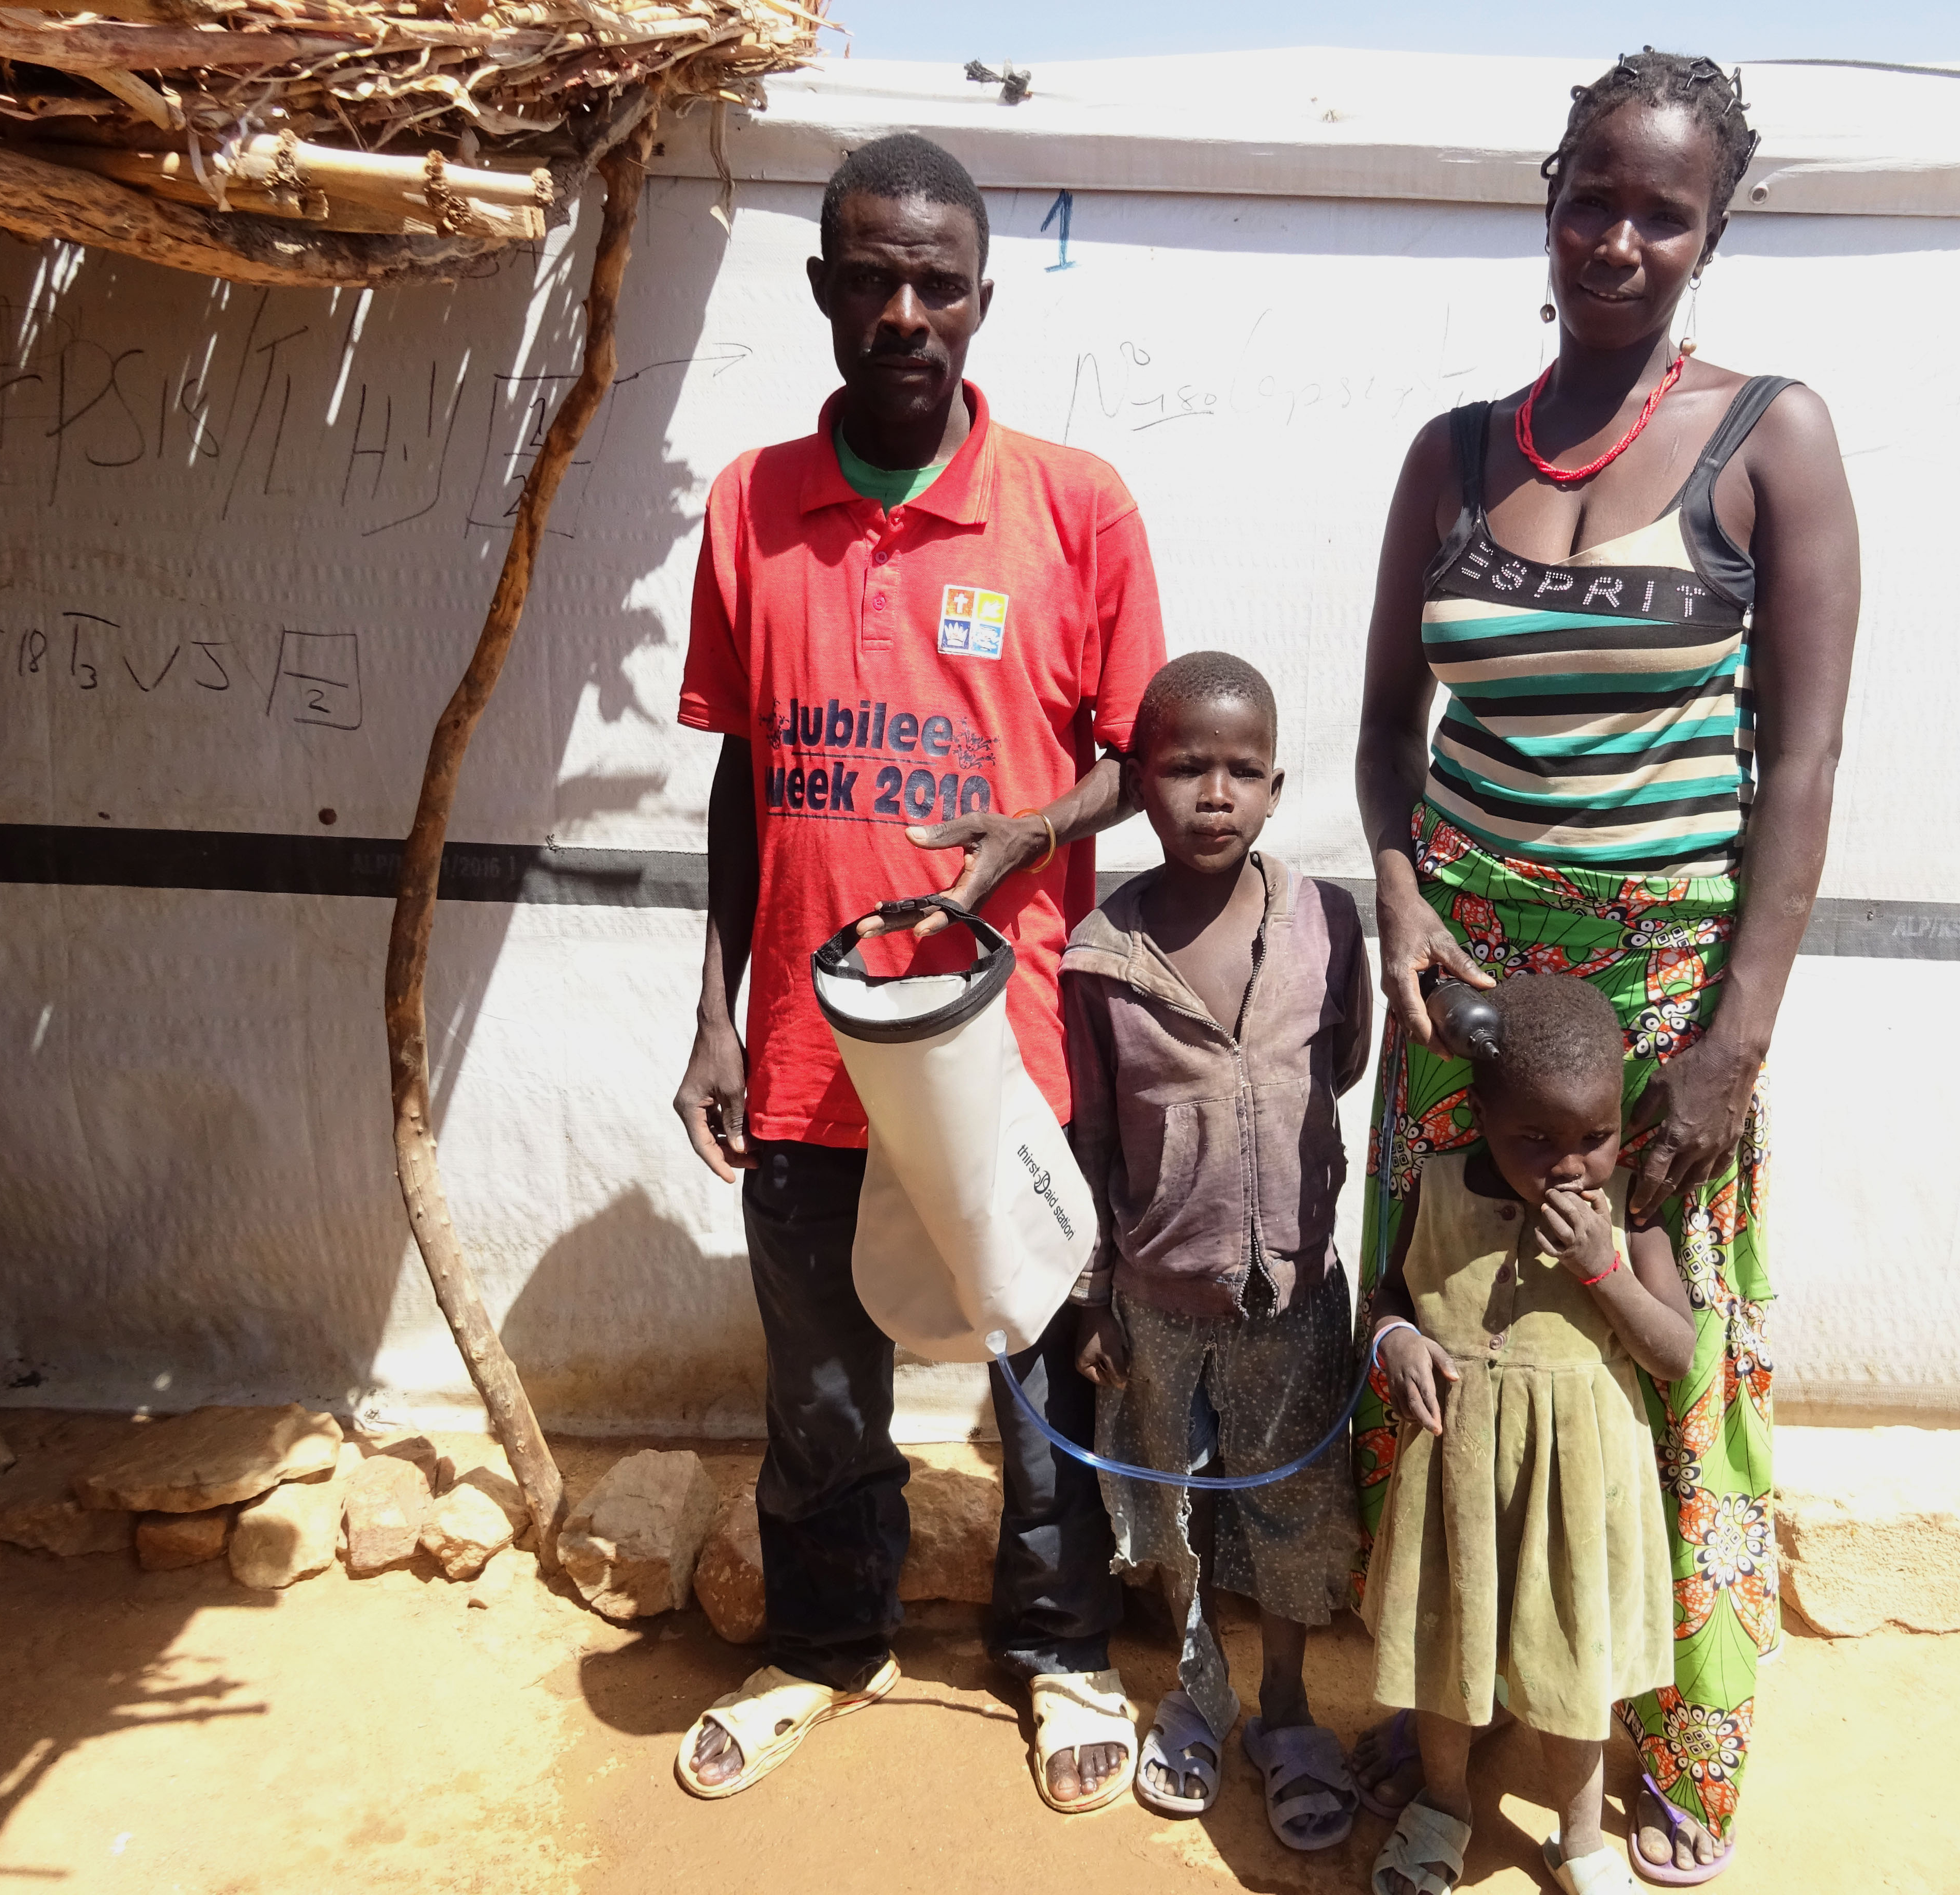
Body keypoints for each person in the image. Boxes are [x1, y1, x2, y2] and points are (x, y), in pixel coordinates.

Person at [1349, 51, 1861, 1886]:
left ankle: (1661, 1745)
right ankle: (1442, 1706)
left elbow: (1796, 765)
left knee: (1651, 1358)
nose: (1619, 236)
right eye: (1593, 194)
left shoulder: (1769, 438)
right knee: (1455, 1349)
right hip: (1460, 1005)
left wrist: (1733, 1036)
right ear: (1546, 194)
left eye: (1663, 209)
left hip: (1650, 1020)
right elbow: (1381, 742)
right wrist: (1401, 907)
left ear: (1711, 230)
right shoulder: (1454, 451)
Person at [668, 132, 1167, 1812]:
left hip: (996, 1052)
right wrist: (714, 1015)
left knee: (1035, 1370)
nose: (902, 310)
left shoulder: (1074, 504)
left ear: (979, 298)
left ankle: (1061, 1651)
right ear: (822, 292)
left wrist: (1024, 832)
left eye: (934, 282)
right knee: (818, 1382)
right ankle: (820, 1642)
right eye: (868, 277)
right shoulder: (750, 502)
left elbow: (1141, 760)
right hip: (807, 1048)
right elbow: (739, 773)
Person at [1061, 651, 1373, 1846]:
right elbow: (1093, 1136)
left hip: (1293, 1296)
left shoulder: (1327, 926)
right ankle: (1196, 1699)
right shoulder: (1101, 956)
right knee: (1175, 1512)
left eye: (1243, 771)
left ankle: (1287, 1711)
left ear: (1279, 786)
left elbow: (1336, 1076)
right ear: (1140, 782)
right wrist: (1096, 1295)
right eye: (1186, 768)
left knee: (1294, 1512)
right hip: (1155, 1300)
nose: (1214, 794)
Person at [1362, 973, 1697, 1895]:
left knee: (1572, 1661)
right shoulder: (1434, 1188)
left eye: (1595, 1138)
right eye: (1536, 1141)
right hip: (1458, 1482)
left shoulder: (1630, 1214)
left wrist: (1604, 1272)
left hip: (1577, 1496)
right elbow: (1388, 1294)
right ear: (1480, 1114)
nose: (1570, 1167)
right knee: (1447, 1649)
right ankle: (1444, 1805)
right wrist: (1396, 1340)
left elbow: (1675, 1353)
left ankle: (1581, 1839)